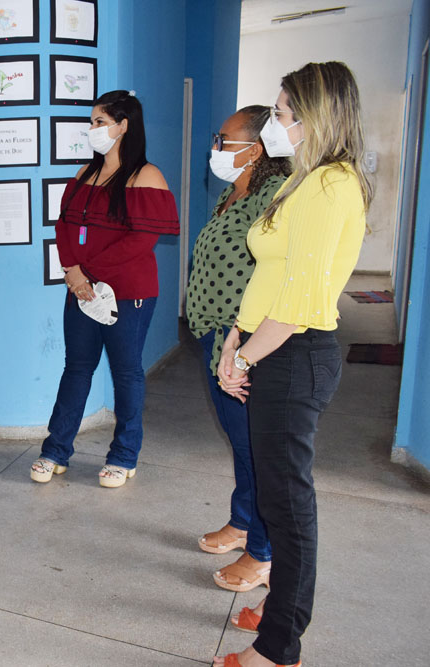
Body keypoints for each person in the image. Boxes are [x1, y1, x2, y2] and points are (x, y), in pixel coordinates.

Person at [214, 62, 370, 667]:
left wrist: (246, 356)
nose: (272, 123)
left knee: (287, 504)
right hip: (265, 345)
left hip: (292, 354)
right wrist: (234, 340)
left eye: (279, 114)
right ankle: (280, 605)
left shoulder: (332, 186)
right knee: (278, 500)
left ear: (313, 118)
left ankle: (279, 647)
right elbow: (269, 275)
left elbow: (303, 299)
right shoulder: (301, 181)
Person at [32, 90, 179, 488]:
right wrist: (73, 271)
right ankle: (55, 450)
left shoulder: (147, 176)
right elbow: (63, 225)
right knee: (76, 369)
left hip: (128, 293)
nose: (92, 129)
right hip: (80, 289)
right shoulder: (84, 174)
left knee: (126, 372)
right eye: (92, 121)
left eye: (100, 121)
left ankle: (124, 455)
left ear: (123, 125)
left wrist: (87, 273)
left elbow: (140, 240)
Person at [187, 106, 292, 593]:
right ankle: (243, 520)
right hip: (218, 337)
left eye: (224, 140)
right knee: (239, 440)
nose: (216, 148)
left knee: (255, 448)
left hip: (250, 340)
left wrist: (240, 340)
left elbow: (273, 272)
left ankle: (263, 552)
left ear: (255, 148)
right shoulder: (233, 193)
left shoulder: (274, 196)